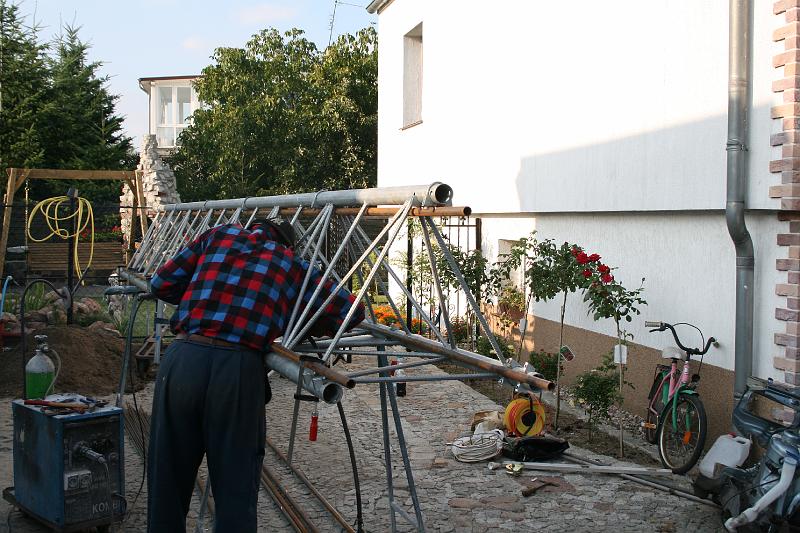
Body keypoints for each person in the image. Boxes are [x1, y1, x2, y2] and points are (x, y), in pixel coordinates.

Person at [146, 218, 365, 532]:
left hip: (182, 359)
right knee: (235, 491)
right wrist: (298, 319)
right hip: (236, 368)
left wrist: (209, 296)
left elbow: (160, 284)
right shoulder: (292, 264)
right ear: (287, 244)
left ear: (254, 229)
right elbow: (352, 310)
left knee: (166, 485)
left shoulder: (218, 235)